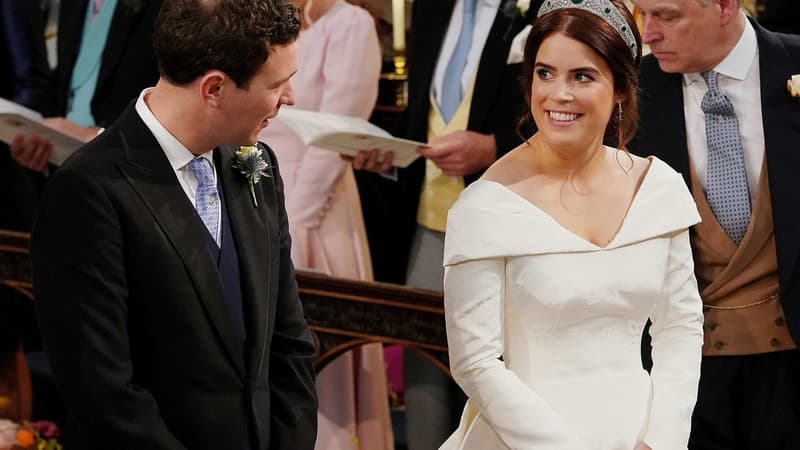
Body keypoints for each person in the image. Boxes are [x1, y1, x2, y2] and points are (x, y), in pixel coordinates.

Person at [29, 0, 318, 449]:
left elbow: (289, 340)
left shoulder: (256, 164)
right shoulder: (89, 189)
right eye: (277, 84)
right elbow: (103, 391)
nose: (289, 98)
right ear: (215, 88)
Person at [439, 0, 705, 448]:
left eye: (581, 76)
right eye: (545, 73)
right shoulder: (485, 206)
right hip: (523, 436)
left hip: (639, 432)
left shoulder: (657, 188)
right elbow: (476, 361)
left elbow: (680, 325)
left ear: (621, 87)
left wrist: (661, 438)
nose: (557, 94)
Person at [351, 0, 537, 447]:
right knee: (423, 368)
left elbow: (560, 117)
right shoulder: (432, 10)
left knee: (499, 371)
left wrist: (493, 149)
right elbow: (422, 114)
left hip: (505, 223)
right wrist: (388, 157)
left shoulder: (535, 12)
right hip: (427, 222)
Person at [629, 0, 800, 448]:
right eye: (643, 15)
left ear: (725, 6)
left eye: (668, 16)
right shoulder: (630, 91)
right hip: (683, 375)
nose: (649, 34)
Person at [257, 0, 392, 448]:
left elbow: (336, 136)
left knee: (318, 360)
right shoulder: (259, 19)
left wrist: (291, 230)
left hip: (313, 204)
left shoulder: (349, 24)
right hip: (253, 181)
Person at [10, 0, 162, 173]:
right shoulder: (73, 5)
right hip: (67, 170)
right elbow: (65, 84)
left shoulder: (168, 8)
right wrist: (39, 141)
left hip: (128, 172)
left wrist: (92, 136)